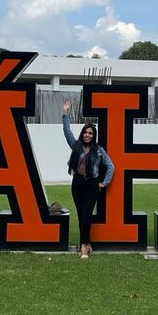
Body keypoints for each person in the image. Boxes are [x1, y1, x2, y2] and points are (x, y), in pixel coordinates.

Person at [62, 99, 115, 258]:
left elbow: (111, 166)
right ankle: (87, 242)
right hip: (77, 183)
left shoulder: (99, 150)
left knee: (86, 216)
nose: (87, 135)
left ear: (94, 135)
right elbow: (67, 132)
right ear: (82, 133)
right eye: (85, 132)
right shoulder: (76, 145)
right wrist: (65, 114)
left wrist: (103, 183)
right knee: (81, 216)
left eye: (90, 133)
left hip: (92, 185)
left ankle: (83, 247)